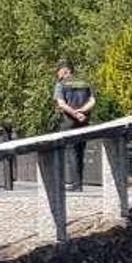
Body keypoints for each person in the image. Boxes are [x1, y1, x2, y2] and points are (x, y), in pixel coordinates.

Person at [53, 59, 96, 192]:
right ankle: (79, 183)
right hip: (84, 122)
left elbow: (61, 104)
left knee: (71, 151)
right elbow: (93, 101)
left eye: (59, 72)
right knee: (81, 151)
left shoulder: (61, 84)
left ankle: (75, 185)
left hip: (69, 121)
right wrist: (82, 111)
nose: (58, 75)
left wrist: (74, 113)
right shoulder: (84, 82)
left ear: (65, 71)